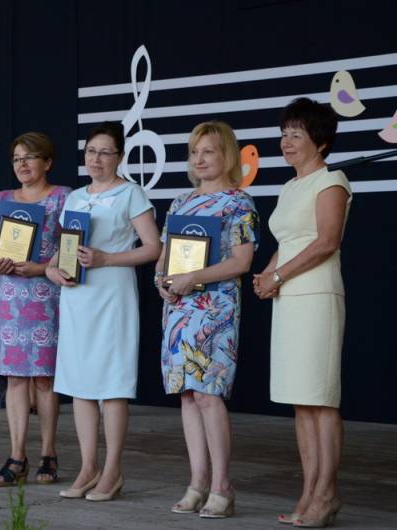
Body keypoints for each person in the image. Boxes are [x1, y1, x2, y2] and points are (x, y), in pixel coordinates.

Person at [46, 121, 161, 501]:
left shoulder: (131, 193)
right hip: (77, 296)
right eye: (91, 152)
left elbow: (153, 247)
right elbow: (64, 248)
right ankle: (88, 467)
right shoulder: (75, 197)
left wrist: (107, 258)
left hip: (112, 293)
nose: (96, 159)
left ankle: (112, 470)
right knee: (79, 384)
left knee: (112, 384)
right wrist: (52, 270)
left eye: (105, 152)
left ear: (119, 156)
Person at [254, 97, 351, 528]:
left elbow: (326, 241)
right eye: (284, 134)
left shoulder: (332, 180)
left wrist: (279, 276)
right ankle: (310, 490)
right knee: (301, 401)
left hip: (316, 297)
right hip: (288, 298)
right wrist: (268, 274)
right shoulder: (290, 186)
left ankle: (327, 493)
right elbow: (289, 241)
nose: (286, 142)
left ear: (321, 141)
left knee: (321, 400)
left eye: (296, 134)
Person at [155, 121, 259, 518]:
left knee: (208, 394)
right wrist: (162, 283)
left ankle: (222, 487)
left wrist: (193, 277)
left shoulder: (239, 202)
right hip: (179, 308)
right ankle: (197, 483)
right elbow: (165, 257)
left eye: (209, 151)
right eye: (194, 152)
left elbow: (242, 262)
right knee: (187, 394)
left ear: (227, 155)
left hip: (215, 309)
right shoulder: (180, 203)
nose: (199, 159)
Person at [0, 132, 71, 487]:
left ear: (47, 162)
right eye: (17, 158)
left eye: (30, 157)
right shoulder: (0, 200)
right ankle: (17, 456)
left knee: (45, 378)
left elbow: (71, 247)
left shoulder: (63, 197)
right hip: (11, 300)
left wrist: (42, 267)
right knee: (15, 378)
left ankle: (49, 453)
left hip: (47, 296)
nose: (22, 164)